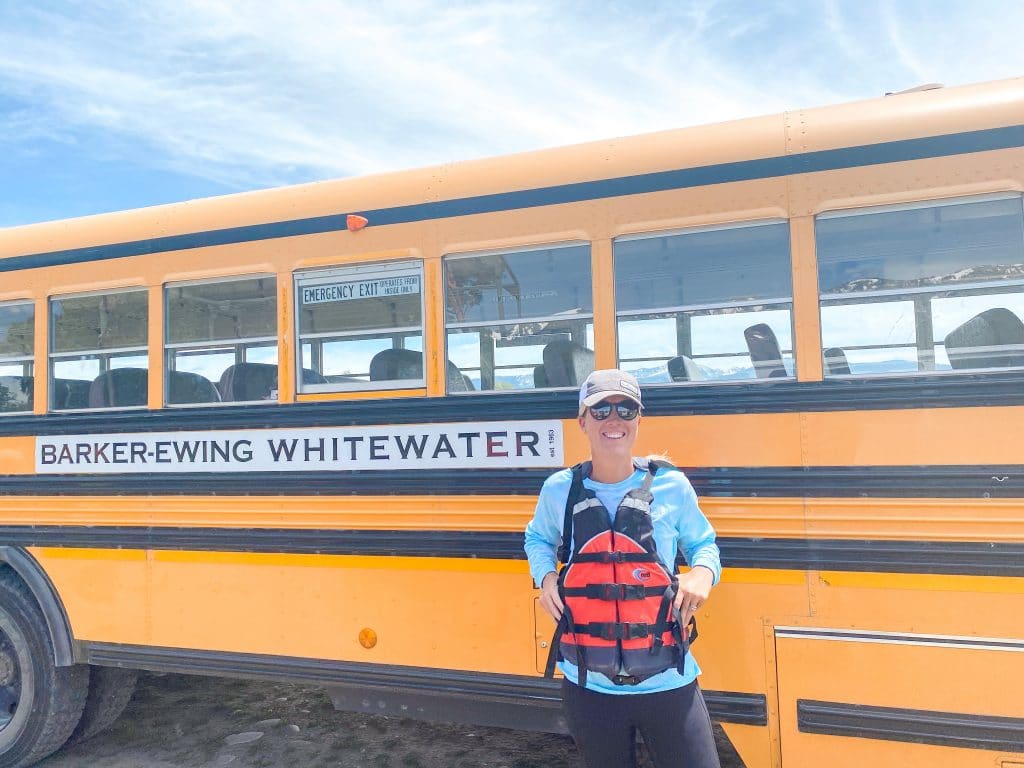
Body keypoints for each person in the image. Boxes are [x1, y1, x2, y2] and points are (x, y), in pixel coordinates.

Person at [524, 369, 722, 768]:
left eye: (626, 409)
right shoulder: (559, 488)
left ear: (638, 419)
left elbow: (704, 544)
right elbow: (537, 539)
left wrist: (702, 573)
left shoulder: (672, 485)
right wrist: (545, 577)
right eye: (600, 410)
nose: (614, 419)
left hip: (668, 681)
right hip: (588, 687)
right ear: (582, 421)